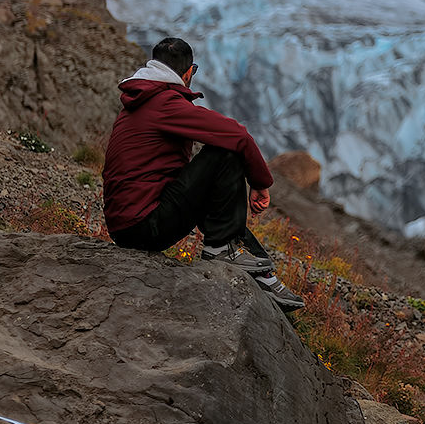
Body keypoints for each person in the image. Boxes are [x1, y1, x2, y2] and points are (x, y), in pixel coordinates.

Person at [103, 37, 303, 310]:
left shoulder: (141, 101)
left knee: (213, 176)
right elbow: (238, 135)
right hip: (144, 226)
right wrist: (260, 183)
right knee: (225, 152)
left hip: (128, 223)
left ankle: (261, 273)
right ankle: (225, 251)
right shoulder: (165, 104)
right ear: (188, 73)